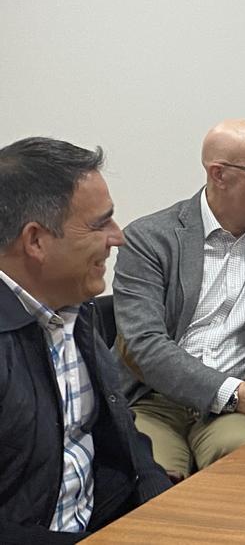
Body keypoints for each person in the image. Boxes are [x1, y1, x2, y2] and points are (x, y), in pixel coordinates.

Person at [112, 120, 245, 479]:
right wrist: (238, 392)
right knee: (154, 480)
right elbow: (143, 343)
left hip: (238, 407)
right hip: (155, 401)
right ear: (218, 174)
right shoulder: (149, 238)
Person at [0, 137, 171, 541]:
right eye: (100, 224)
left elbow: (123, 437)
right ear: (36, 241)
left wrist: (166, 510)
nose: (119, 237)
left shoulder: (74, 307)